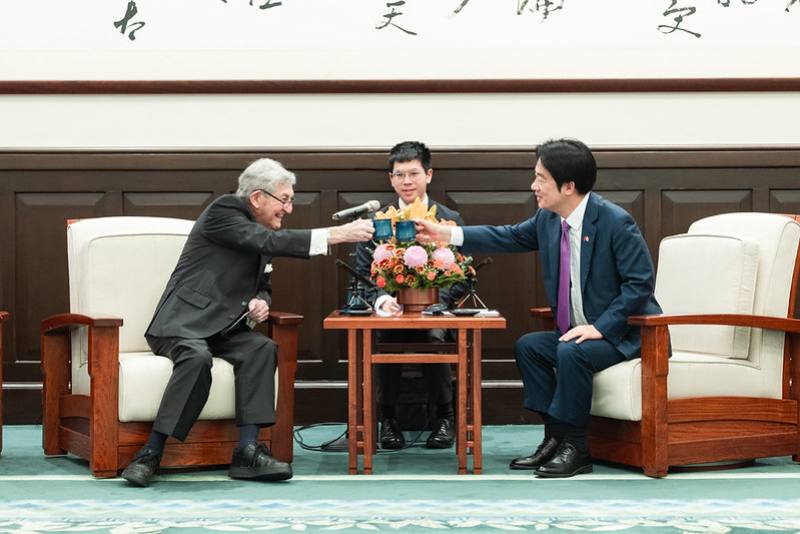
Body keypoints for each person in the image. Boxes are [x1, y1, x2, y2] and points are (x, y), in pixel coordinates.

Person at [415, 139, 663, 478]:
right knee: (530, 347)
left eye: (541, 178)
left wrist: (600, 327)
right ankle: (555, 437)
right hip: (581, 333)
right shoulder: (548, 219)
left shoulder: (615, 221)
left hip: (624, 334)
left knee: (571, 352)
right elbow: (506, 236)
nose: (534, 186)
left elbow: (640, 283)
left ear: (568, 186)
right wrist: (445, 234)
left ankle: (577, 447)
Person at [121, 158, 374, 487]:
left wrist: (261, 301)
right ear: (257, 197)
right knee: (196, 358)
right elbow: (266, 243)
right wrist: (334, 235)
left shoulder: (260, 232)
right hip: (184, 323)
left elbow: (263, 283)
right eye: (285, 200)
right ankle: (151, 452)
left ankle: (247, 452)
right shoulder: (223, 211)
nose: (289, 209)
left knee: (261, 348)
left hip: (225, 329)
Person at [355, 141, 466, 450]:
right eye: (399, 175)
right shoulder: (378, 221)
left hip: (434, 310)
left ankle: (444, 417)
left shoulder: (449, 219)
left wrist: (437, 302)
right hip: (391, 311)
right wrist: (382, 299)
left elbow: (462, 274)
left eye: (413, 174)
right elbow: (364, 273)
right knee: (387, 335)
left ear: (428, 175)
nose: (407, 182)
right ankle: (388, 419)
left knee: (433, 335)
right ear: (391, 179)